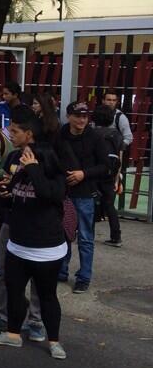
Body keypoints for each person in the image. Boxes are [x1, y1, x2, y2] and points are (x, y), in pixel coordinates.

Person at [0, 106, 68, 360]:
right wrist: (6, 191)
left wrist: (31, 167)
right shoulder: (17, 159)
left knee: (46, 296)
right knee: (13, 289)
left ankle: (53, 341)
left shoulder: (48, 161)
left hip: (46, 247)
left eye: (15, 131)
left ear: (29, 134)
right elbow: (16, 194)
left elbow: (48, 194)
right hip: (18, 244)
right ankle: (12, 334)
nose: (10, 135)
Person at [58, 101, 112, 294]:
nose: (82, 119)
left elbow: (106, 166)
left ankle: (84, 277)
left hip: (85, 195)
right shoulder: (61, 134)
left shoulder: (95, 137)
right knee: (63, 235)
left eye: (85, 116)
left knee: (86, 238)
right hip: (64, 193)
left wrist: (83, 174)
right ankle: (61, 271)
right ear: (69, 116)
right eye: (78, 115)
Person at [91, 104, 123, 247]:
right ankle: (116, 237)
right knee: (110, 206)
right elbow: (119, 157)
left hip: (95, 171)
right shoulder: (116, 134)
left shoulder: (92, 133)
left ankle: (88, 233)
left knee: (90, 202)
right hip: (110, 173)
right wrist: (117, 177)